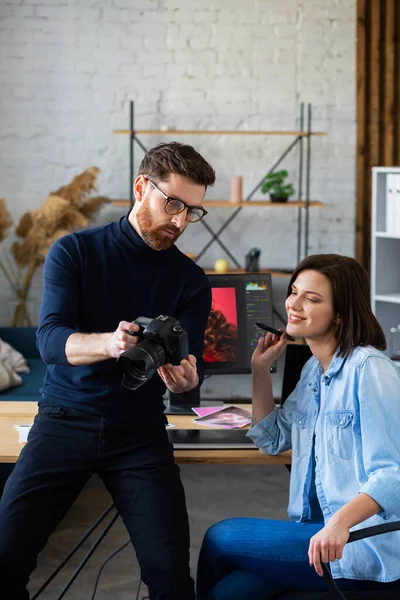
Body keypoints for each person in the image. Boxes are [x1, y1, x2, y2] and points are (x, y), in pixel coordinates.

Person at [0, 141, 216, 600]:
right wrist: (110, 343)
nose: (180, 221)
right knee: (5, 560)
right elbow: (50, 340)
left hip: (138, 433)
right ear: (141, 187)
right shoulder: (74, 251)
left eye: (192, 211)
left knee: (171, 577)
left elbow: (190, 362)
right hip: (64, 421)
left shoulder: (191, 281)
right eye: (172, 203)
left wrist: (189, 378)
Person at [197, 254, 400, 599]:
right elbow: (272, 439)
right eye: (294, 292)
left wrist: (339, 523)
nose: (294, 304)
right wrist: (260, 371)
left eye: (312, 298)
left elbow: (393, 476)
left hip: (357, 541)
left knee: (220, 537)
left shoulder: (368, 369)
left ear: (340, 313)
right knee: (228, 593)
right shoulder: (312, 373)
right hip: (313, 535)